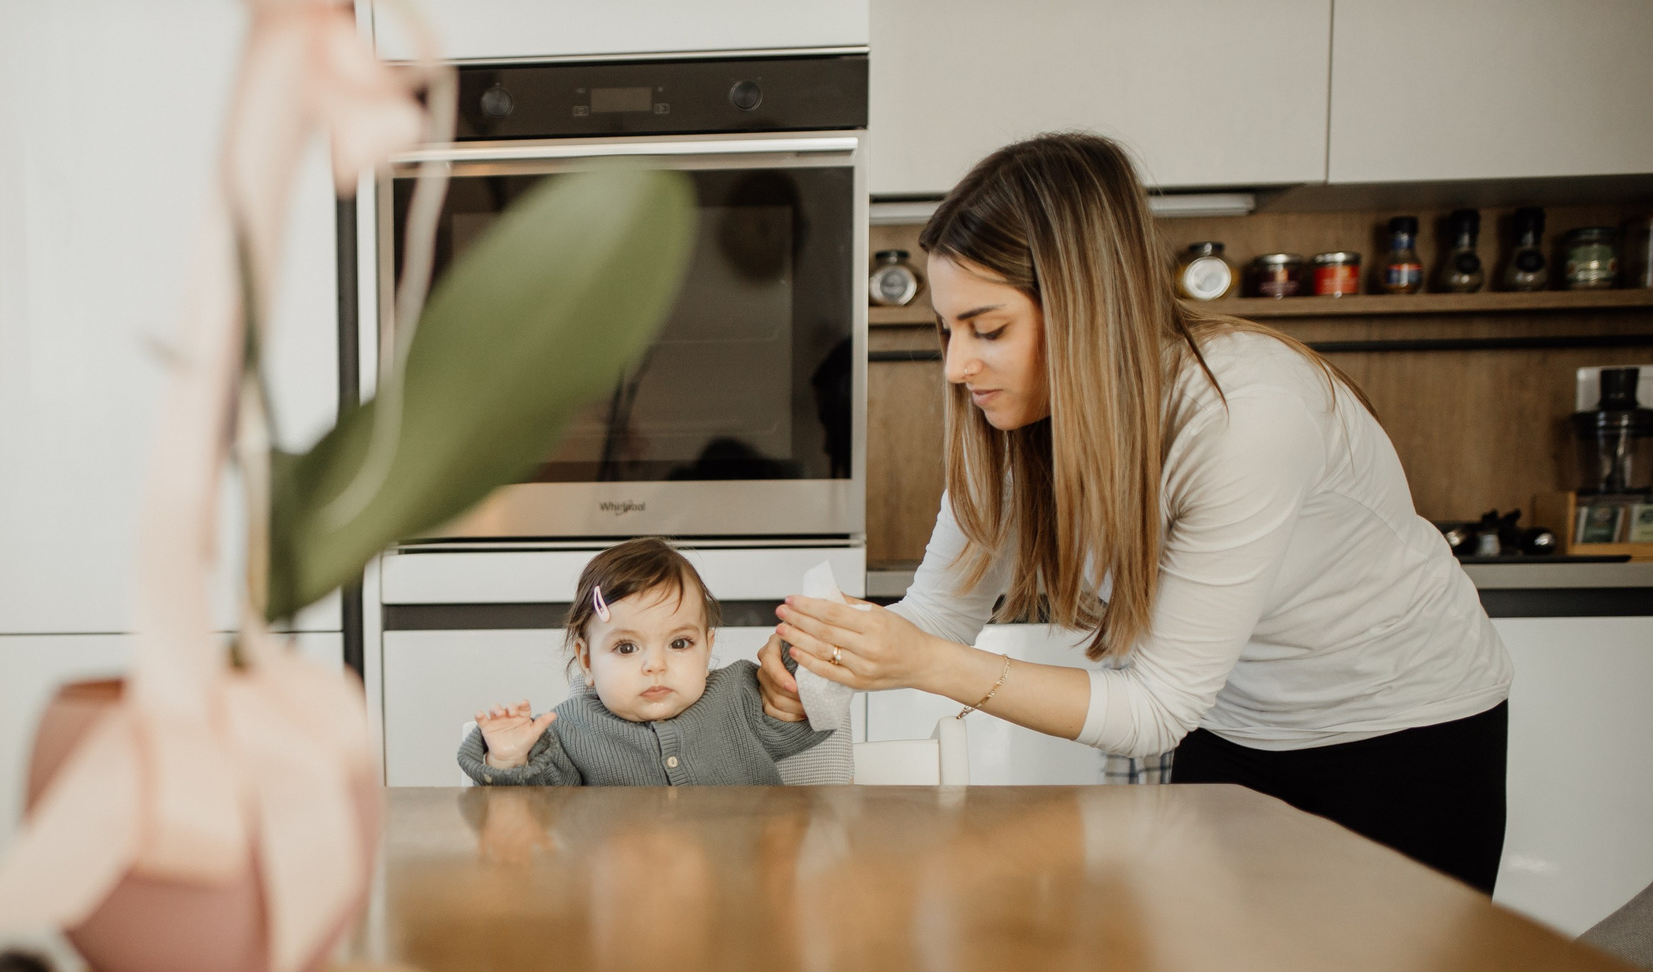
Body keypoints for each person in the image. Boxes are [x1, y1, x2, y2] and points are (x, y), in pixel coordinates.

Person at [761, 133, 1514, 892]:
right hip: (1231, 724)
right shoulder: (1013, 431)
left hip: (1404, 732)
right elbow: (938, 616)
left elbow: (1154, 707)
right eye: (947, 329)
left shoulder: (1246, 415)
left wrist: (924, 664)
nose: (957, 366)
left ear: (1085, 309)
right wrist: (829, 653)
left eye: (988, 330)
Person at [461, 537, 832, 786]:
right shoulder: (567, 733)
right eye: (626, 648)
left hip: (744, 876)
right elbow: (531, 815)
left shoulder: (740, 697)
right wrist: (509, 760)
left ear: (707, 648)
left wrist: (814, 641)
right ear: (587, 661)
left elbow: (806, 690)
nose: (655, 665)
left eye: (680, 643)